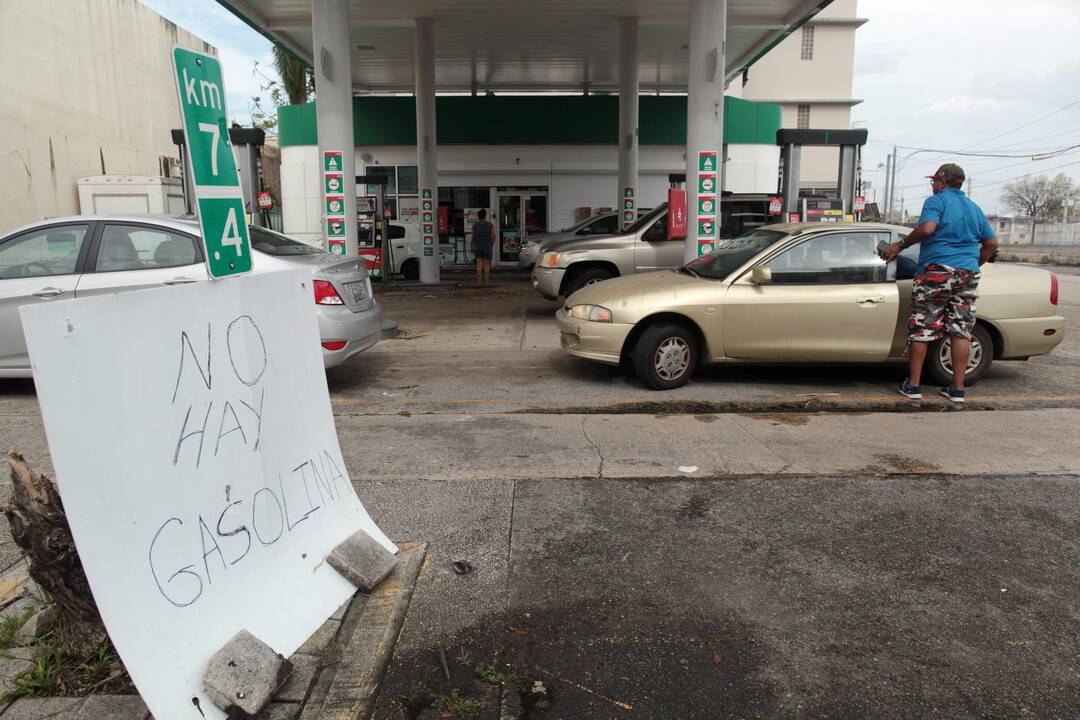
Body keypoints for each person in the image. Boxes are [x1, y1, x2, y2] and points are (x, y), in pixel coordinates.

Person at [883, 163, 999, 404]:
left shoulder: (937, 201)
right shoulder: (973, 207)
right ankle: (957, 389)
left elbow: (927, 228)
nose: (933, 185)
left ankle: (914, 385)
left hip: (937, 271)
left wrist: (900, 245)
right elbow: (991, 243)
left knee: (922, 327)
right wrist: (973, 263)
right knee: (961, 330)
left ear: (942, 181)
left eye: (934, 181)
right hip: (966, 273)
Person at [471, 208, 495, 288]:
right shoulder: (490, 225)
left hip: (477, 246)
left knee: (479, 265)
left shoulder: (475, 225)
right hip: (487, 246)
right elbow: (494, 236)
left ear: (478, 216)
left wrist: (472, 245)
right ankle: (487, 283)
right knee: (487, 265)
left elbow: (473, 237)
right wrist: (491, 243)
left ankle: (479, 283)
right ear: (485, 216)